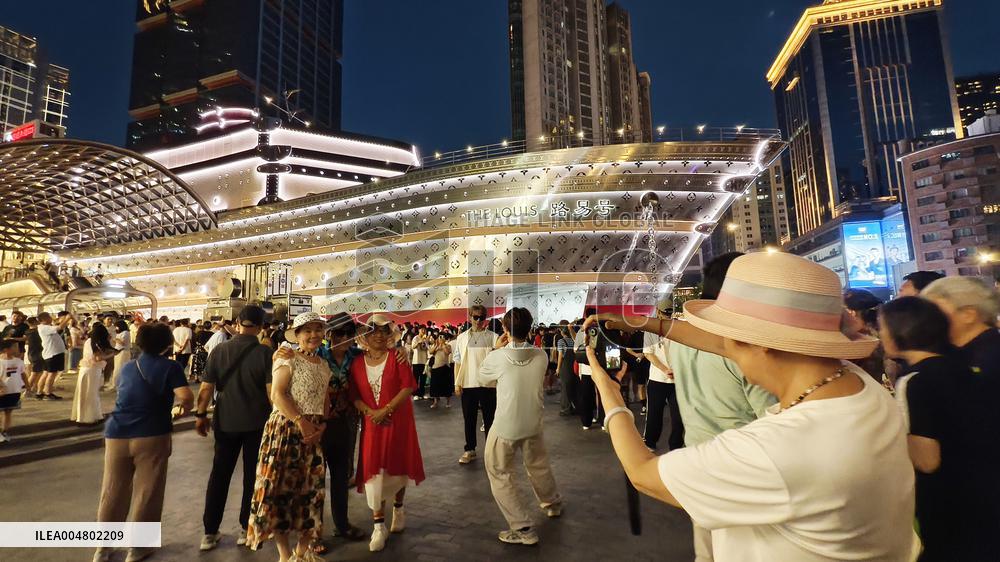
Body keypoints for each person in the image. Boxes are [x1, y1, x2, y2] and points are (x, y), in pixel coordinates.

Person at [583, 252, 918, 561]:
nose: (726, 350)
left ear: (762, 346)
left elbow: (642, 474)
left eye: (733, 341)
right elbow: (727, 344)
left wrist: (608, 390)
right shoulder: (860, 387)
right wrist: (648, 323)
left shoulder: (776, 450)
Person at [879, 297, 1000, 561]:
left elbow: (927, 459)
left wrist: (886, 429)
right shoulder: (962, 365)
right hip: (986, 489)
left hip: (950, 500)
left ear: (901, 330)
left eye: (882, 326)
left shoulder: (914, 380)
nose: (880, 334)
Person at [93, 322, 194, 562]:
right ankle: (138, 548)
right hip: (151, 433)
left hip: (116, 433)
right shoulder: (171, 367)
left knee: (112, 490)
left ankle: (102, 548)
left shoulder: (129, 366)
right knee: (148, 491)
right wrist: (181, 411)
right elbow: (185, 397)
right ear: (167, 343)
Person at [246, 312, 331, 562]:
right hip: (284, 431)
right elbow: (278, 395)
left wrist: (321, 425)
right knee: (279, 492)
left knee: (311, 494)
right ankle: (284, 556)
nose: (313, 335)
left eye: (318, 329)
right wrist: (300, 421)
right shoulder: (287, 358)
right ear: (298, 335)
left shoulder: (323, 365)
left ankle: (302, 553)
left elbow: (325, 399)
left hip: (312, 435)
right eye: (307, 330)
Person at [479, 308, 562, 546]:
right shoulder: (541, 355)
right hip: (533, 422)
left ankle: (523, 527)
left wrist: (497, 349)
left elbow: (484, 378)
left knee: (498, 471)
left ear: (505, 330)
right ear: (530, 328)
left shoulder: (497, 357)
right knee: (538, 465)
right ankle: (552, 503)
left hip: (505, 424)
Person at [196, 306, 274, 551]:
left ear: (238, 322)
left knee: (219, 475)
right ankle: (245, 528)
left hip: (225, 423)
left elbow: (206, 388)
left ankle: (209, 532)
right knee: (253, 476)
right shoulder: (265, 353)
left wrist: (200, 415)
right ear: (261, 327)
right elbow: (272, 394)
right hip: (257, 424)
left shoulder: (220, 350)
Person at [349, 314, 425, 552]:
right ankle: (378, 525)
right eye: (374, 331)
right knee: (374, 472)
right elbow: (354, 396)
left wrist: (387, 409)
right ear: (365, 336)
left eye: (383, 331)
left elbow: (408, 386)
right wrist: (371, 412)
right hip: (373, 424)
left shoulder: (398, 357)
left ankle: (399, 508)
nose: (379, 335)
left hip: (398, 420)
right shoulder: (356, 363)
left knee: (398, 468)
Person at [922, 276, 1000, 381]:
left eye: (934, 311)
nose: (924, 319)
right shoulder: (949, 353)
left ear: (968, 315)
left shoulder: (990, 360)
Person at [452, 305, 499, 464]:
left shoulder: (493, 337)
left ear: (485, 319)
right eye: (475, 317)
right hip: (468, 383)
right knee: (469, 419)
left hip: (488, 384)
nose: (478, 321)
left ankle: (491, 451)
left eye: (481, 317)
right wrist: (457, 383)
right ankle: (470, 449)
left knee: (490, 419)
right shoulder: (461, 338)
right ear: (470, 317)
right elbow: (457, 362)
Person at [642, 307, 684, 451]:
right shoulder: (650, 330)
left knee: (679, 416)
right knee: (654, 413)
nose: (666, 317)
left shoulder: (678, 328)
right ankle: (650, 442)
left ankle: (676, 445)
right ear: (658, 312)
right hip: (657, 379)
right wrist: (665, 369)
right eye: (664, 314)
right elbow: (648, 354)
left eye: (669, 314)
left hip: (677, 380)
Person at [71, 323, 116, 425]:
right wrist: (111, 355)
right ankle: (89, 417)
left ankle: (87, 416)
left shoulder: (89, 341)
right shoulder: (96, 343)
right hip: (92, 370)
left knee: (84, 393)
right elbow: (97, 358)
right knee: (91, 394)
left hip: (85, 369)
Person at [573, 307, 599, 429]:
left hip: (588, 369)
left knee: (587, 395)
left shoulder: (581, 331)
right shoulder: (601, 330)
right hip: (599, 368)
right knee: (600, 393)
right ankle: (602, 419)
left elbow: (575, 350)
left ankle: (586, 421)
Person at [0, 339, 26, 443]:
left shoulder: (18, 361)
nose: (18, 349)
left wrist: (27, 386)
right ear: (6, 350)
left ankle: (5, 431)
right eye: (14, 347)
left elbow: (23, 374)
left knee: (8, 411)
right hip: (2, 392)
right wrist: (1, 387)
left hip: (14, 391)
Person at [554, 321, 577, 416]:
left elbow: (560, 356)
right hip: (574, 365)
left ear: (562, 332)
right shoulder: (573, 340)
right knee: (573, 386)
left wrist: (558, 368)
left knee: (565, 387)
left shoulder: (561, 341)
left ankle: (566, 409)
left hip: (565, 366)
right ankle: (574, 407)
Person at [428, 334, 453, 408]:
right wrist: (436, 346)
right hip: (436, 367)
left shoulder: (448, 346)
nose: (441, 339)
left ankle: (448, 402)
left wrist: (442, 344)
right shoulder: (435, 345)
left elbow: (447, 352)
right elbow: (430, 352)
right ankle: (435, 402)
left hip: (445, 367)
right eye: (440, 337)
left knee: (447, 386)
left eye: (443, 337)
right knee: (435, 386)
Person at [111, 319, 132, 389]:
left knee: (120, 368)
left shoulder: (126, 333)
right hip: (117, 352)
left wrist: (115, 339)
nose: (116, 328)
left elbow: (123, 342)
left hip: (123, 352)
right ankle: (116, 383)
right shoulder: (119, 333)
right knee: (117, 368)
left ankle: (118, 383)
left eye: (116, 326)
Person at [410, 326, 430, 400]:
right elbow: (413, 347)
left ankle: (421, 394)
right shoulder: (416, 338)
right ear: (419, 330)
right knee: (415, 378)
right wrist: (420, 341)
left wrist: (426, 341)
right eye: (422, 329)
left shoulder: (426, 338)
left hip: (424, 361)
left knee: (423, 379)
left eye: (424, 330)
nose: (423, 331)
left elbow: (427, 348)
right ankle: (415, 394)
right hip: (416, 361)